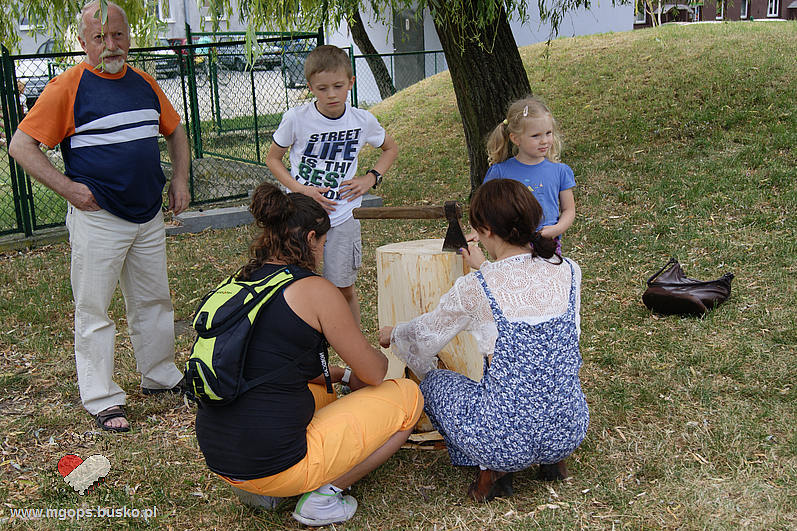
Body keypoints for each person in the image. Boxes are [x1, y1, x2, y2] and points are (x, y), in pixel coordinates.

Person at [8, 1, 190, 432]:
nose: (111, 46)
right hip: (99, 217)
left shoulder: (145, 83)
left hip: (148, 215)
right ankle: (102, 397)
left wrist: (180, 179)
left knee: (153, 301)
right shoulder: (66, 87)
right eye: (99, 38)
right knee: (94, 310)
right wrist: (69, 189)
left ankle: (160, 376)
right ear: (82, 42)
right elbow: (20, 145)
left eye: (118, 36)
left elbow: (176, 130)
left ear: (129, 36)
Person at [195, 182, 422, 527]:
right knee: (407, 397)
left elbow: (275, 367)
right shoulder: (314, 290)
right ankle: (324, 496)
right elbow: (375, 373)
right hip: (274, 463)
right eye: (324, 243)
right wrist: (373, 351)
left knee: (323, 391)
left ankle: (266, 490)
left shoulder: (243, 281)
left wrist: (343, 376)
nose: (323, 251)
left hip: (221, 456)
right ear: (312, 237)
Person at [379, 178, 588, 502]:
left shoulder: (478, 287)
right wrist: (487, 266)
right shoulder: (570, 270)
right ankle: (553, 462)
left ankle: (490, 471)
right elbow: (556, 327)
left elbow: (425, 338)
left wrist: (396, 333)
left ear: (485, 230)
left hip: (504, 444)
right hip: (570, 427)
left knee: (434, 383)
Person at [266, 44, 399, 325]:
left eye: (338, 86)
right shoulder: (296, 119)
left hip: (343, 217)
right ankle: (308, 349)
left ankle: (354, 354)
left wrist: (370, 177)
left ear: (351, 82)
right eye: (322, 88)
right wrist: (302, 190)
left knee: (343, 288)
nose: (331, 95)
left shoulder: (362, 120)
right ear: (310, 87)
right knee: (297, 287)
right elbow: (273, 159)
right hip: (301, 216)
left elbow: (390, 148)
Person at [484, 95, 576, 255]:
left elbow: (569, 210)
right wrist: (476, 231)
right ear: (515, 138)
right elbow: (483, 208)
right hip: (510, 246)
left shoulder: (561, 171)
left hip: (547, 245)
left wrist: (555, 229)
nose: (544, 141)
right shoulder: (499, 172)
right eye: (536, 136)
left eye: (548, 133)